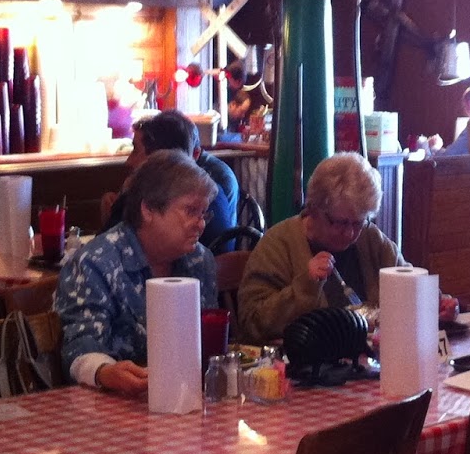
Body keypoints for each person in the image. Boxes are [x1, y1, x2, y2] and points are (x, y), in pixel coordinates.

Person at [57, 150, 218, 394]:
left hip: (185, 395)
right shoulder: (96, 263)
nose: (201, 223)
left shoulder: (199, 260)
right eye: (190, 211)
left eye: (204, 213)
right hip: (111, 401)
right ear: (148, 209)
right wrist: (104, 371)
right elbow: (79, 348)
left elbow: (207, 342)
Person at [236, 151, 403, 344]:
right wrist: (305, 286)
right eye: (340, 223)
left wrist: (429, 302)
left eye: (358, 222)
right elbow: (252, 324)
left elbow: (407, 283)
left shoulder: (369, 238)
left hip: (369, 356)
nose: (350, 233)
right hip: (303, 360)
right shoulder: (278, 245)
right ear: (313, 209)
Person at [101, 110, 239, 249]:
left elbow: (105, 248)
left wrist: (119, 203)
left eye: (135, 150)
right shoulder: (207, 187)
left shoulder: (158, 195)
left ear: (156, 158)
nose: (129, 161)